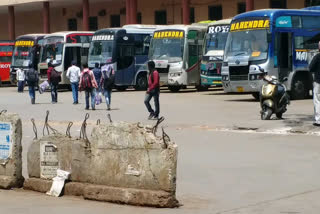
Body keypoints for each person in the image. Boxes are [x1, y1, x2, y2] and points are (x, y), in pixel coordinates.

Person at [309, 41, 320, 126]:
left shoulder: (317, 57)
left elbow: (311, 68)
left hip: (318, 82)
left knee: (317, 101)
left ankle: (318, 120)